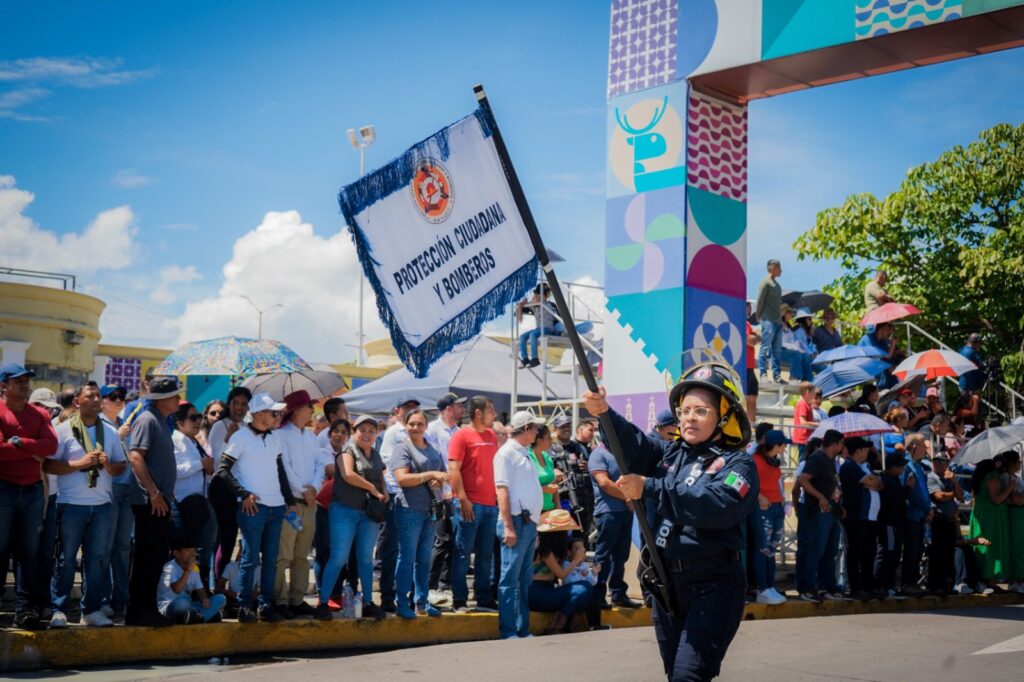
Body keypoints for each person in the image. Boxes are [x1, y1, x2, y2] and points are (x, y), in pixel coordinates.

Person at [584, 361, 758, 681]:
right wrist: (604, 412)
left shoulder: (738, 463)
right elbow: (634, 447)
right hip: (666, 586)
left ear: (723, 416)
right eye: (685, 409)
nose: (690, 417)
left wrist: (648, 486)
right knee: (673, 674)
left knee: (687, 677)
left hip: (713, 585)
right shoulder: (670, 454)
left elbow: (719, 505)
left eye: (701, 411)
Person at [45, 382, 127, 628]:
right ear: (78, 401)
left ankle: (91, 610)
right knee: (65, 559)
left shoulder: (110, 432)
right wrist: (78, 464)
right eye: (90, 396)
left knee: (97, 559)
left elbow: (121, 466)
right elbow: (48, 466)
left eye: (98, 396)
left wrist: (108, 466)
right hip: (70, 504)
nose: (96, 400)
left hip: (101, 505)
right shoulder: (61, 430)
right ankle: (58, 609)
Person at [216, 392, 298, 623]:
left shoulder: (275, 438)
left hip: (276, 506)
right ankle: (245, 607)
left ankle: (265, 606)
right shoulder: (241, 436)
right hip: (254, 507)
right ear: (260, 414)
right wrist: (244, 494)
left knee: (270, 559)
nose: (278, 416)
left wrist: (290, 502)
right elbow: (222, 469)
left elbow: (280, 472)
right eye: (274, 412)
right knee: (250, 558)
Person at [0, 364, 59, 630]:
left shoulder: (39, 414)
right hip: (4, 488)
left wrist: (19, 442)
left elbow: (51, 447)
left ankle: (25, 610)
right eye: (18, 381)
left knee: (28, 552)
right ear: (4, 386)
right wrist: (33, 449)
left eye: (26, 381)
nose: (25, 386)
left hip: (33, 489)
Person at [317, 414, 388, 621]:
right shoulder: (346, 451)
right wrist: (374, 489)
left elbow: (381, 476)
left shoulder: (375, 454)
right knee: (338, 557)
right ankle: (322, 603)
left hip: (368, 514)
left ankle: (367, 602)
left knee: (366, 559)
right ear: (354, 432)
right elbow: (348, 474)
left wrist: (384, 491)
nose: (367, 434)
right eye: (362, 430)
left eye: (371, 431)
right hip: (345, 510)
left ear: (376, 434)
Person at [125, 376, 182, 627]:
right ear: (162, 399)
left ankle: (146, 608)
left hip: (160, 500)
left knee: (156, 556)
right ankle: (139, 610)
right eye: (175, 395)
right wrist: (154, 493)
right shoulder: (148, 419)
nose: (179, 399)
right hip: (150, 501)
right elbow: (136, 456)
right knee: (148, 556)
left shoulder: (162, 421)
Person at [389, 408, 449, 619]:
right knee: (407, 557)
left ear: (426, 426)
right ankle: (402, 602)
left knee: (424, 559)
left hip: (430, 510)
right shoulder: (401, 448)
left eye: (419, 424)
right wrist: (431, 474)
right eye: (411, 424)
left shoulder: (432, 448)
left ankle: (421, 602)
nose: (415, 428)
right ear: (405, 425)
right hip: (409, 509)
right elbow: (402, 479)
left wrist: (437, 479)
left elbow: (442, 474)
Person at [494, 411, 545, 639]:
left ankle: (522, 628)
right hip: (515, 521)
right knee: (509, 579)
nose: (537, 432)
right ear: (525, 429)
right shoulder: (506, 454)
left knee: (523, 580)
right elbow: (501, 490)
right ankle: (508, 630)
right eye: (534, 428)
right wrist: (507, 526)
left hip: (527, 523)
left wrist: (534, 527)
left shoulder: (523, 452)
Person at [448, 395, 500, 613]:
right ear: (478, 413)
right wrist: (463, 499)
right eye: (490, 410)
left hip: (490, 504)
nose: (494, 414)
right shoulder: (461, 436)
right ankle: (459, 599)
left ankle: (483, 597)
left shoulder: (491, 435)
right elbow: (453, 470)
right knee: (462, 552)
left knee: (486, 554)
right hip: (469, 504)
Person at [274, 390, 321, 619]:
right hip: (290, 502)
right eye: (309, 406)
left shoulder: (311, 436)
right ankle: (280, 600)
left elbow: (320, 465)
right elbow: (283, 468)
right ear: (296, 410)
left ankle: (297, 598)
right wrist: (304, 489)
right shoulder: (281, 435)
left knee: (302, 555)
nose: (312, 410)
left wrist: (314, 487)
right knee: (284, 555)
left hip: (309, 502)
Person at [376, 396, 421, 613]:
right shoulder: (394, 433)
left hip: (414, 496)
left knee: (409, 551)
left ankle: (407, 596)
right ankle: (387, 596)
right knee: (392, 549)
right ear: (398, 410)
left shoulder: (419, 434)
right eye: (407, 408)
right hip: (396, 495)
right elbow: (388, 464)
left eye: (414, 408)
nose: (411, 411)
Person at [207, 386, 252, 587]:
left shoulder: (248, 427)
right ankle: (216, 584)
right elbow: (217, 462)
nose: (240, 408)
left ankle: (233, 585)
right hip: (222, 487)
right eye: (236, 403)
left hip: (241, 488)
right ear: (229, 404)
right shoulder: (220, 426)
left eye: (244, 404)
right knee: (225, 538)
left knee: (237, 539)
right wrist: (228, 437)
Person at [171, 402, 218, 593]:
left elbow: (204, 470)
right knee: (185, 553)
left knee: (204, 550)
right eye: (193, 418)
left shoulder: (194, 441)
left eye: (199, 417)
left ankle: (202, 590)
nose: (198, 421)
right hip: (182, 506)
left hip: (199, 504)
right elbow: (174, 471)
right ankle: (184, 593)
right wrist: (201, 464)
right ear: (179, 421)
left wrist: (206, 467)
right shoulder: (174, 441)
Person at [588, 443, 640, 610]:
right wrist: (627, 498)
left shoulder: (620, 452)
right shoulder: (598, 455)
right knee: (603, 555)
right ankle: (597, 594)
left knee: (621, 556)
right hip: (608, 512)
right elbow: (604, 482)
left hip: (625, 512)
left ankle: (618, 593)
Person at [797, 430, 845, 602]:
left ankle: (826, 586)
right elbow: (803, 479)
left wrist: (837, 506)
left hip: (831, 512)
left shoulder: (830, 461)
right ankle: (808, 588)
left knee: (829, 551)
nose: (842, 447)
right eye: (841, 443)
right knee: (815, 550)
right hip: (818, 512)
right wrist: (820, 497)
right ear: (835, 444)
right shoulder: (817, 458)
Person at [98, 383, 133, 619]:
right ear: (102, 401)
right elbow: (101, 457)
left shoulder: (123, 424)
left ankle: (121, 598)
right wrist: (119, 438)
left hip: (127, 490)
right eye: (112, 397)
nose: (118, 400)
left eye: (121, 396)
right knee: (105, 547)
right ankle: (101, 599)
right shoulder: (100, 424)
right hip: (108, 491)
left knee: (123, 548)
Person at [425, 392, 463, 603]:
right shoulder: (431, 430)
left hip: (454, 494)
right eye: (458, 406)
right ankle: (430, 585)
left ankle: (443, 583)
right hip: (437, 494)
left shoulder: (459, 431)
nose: (462, 410)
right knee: (440, 540)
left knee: (451, 540)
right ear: (448, 408)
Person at [529, 510, 594, 634]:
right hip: (536, 593)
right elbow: (561, 574)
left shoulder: (555, 550)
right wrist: (575, 561)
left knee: (586, 588)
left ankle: (563, 619)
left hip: (548, 590)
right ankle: (559, 622)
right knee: (583, 589)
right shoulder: (546, 551)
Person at [313, 417, 351, 611]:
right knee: (323, 553)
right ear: (330, 434)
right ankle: (322, 595)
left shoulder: (348, 453)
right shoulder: (323, 452)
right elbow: (331, 470)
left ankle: (335, 593)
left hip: (344, 508)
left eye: (344, 432)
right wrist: (352, 471)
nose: (339, 435)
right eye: (336, 431)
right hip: (324, 507)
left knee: (339, 554)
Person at [839, 437, 882, 600]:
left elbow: (879, 484)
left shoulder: (866, 466)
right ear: (858, 451)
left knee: (869, 552)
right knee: (856, 552)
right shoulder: (849, 466)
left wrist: (874, 482)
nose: (867, 452)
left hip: (870, 518)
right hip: (856, 516)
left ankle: (868, 585)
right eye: (865, 449)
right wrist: (873, 482)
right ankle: (856, 587)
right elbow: (871, 481)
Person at [752, 430, 789, 605]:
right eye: (783, 445)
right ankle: (762, 588)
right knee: (763, 549)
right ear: (776, 445)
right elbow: (748, 483)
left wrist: (781, 499)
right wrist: (760, 497)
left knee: (771, 550)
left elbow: (777, 483)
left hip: (776, 508)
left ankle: (770, 586)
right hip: (762, 509)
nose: (785, 448)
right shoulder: (755, 461)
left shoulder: (773, 462)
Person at [969, 453, 1015, 585]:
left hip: (979, 515)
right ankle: (990, 580)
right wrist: (1010, 487)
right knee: (991, 547)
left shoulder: (978, 476)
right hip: (991, 517)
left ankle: (980, 579)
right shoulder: (991, 477)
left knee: (981, 547)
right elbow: (996, 499)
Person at [158, 535, 227, 624]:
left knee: (220, 599)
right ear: (176, 554)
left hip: (189, 606)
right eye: (188, 550)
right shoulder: (170, 568)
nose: (192, 554)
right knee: (182, 602)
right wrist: (188, 570)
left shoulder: (194, 568)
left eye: (194, 550)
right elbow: (177, 590)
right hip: (170, 606)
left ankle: (196, 618)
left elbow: (200, 589)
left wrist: (204, 599)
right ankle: (203, 616)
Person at [927, 451, 964, 594]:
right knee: (937, 554)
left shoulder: (950, 479)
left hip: (949, 521)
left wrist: (954, 481)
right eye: (935, 461)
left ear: (947, 464)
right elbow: (939, 496)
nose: (936, 463)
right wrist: (953, 494)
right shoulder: (931, 477)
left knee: (948, 553)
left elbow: (961, 497)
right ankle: (935, 585)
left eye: (940, 461)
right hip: (938, 519)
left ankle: (946, 584)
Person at [900, 434, 932, 595]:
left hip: (920, 514)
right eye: (922, 445)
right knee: (911, 550)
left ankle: (913, 581)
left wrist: (928, 508)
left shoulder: (918, 466)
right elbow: (912, 493)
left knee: (918, 549)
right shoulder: (907, 466)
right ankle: (908, 582)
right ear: (913, 447)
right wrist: (927, 508)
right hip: (912, 514)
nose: (925, 449)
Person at [876, 453, 909, 599]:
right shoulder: (886, 480)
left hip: (896, 523)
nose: (902, 469)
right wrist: (908, 488)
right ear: (893, 467)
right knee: (888, 554)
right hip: (889, 524)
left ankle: (889, 585)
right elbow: (894, 500)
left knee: (894, 554)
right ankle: (884, 585)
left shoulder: (894, 479)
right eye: (900, 466)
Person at [517, 282, 564, 368]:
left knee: (532, 335)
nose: (535, 297)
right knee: (522, 336)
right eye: (536, 295)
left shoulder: (549, 305)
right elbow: (523, 304)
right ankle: (525, 358)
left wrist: (537, 301)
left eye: (538, 295)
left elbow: (557, 316)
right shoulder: (535, 305)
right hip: (539, 328)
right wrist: (521, 307)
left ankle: (535, 358)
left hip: (548, 328)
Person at [755, 258, 784, 384]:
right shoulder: (765, 283)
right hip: (768, 320)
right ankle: (763, 374)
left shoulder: (778, 286)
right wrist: (758, 315)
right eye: (779, 267)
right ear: (773, 268)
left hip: (777, 322)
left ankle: (777, 375)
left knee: (777, 350)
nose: (781, 270)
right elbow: (760, 300)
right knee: (765, 347)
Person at [528, 424, 560, 513]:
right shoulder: (527, 458)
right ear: (539, 440)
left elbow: (554, 486)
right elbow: (524, 487)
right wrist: (543, 489)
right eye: (548, 438)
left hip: (549, 510)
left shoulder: (547, 457)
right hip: (532, 512)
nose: (551, 440)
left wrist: (558, 508)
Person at [791, 382, 818, 461]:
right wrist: (818, 424)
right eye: (813, 392)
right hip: (803, 438)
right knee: (803, 461)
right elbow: (803, 422)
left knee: (805, 460)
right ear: (807, 393)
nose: (815, 395)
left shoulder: (806, 403)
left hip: (806, 438)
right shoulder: (803, 403)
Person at [745, 301, 760, 421]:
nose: (747, 308)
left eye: (748, 306)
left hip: (749, 367)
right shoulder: (739, 321)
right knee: (746, 398)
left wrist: (755, 337)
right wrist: (755, 336)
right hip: (742, 366)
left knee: (752, 397)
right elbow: (751, 340)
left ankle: (751, 425)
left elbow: (757, 338)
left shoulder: (748, 324)